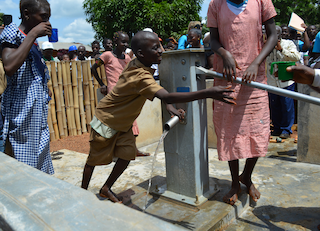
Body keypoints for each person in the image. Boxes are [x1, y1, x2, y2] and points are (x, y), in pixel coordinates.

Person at [81, 31, 236, 202]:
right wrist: (207, 92)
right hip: (107, 119)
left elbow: (157, 91)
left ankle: (106, 188)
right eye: (156, 48)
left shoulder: (138, 64)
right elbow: (164, 94)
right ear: (141, 53)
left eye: (161, 46)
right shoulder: (140, 75)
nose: (162, 50)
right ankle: (81, 193)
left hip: (123, 123)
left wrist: (169, 106)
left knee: (126, 156)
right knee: (93, 160)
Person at [207, 0, 277, 205]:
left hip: (255, 78)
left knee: (258, 130)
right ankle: (234, 183)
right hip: (227, 77)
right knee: (230, 132)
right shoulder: (216, 5)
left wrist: (256, 62)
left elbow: (273, 36)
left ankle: (247, 175)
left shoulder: (262, 2)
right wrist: (225, 54)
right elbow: (213, 40)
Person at [0, 0, 54, 174]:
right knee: (23, 169)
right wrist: (33, 34)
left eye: (48, 18)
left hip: (36, 114)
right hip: (20, 114)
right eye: (43, 17)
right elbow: (9, 67)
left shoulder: (33, 43)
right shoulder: (12, 32)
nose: (47, 23)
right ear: (26, 13)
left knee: (40, 163)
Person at [91, 31, 149, 157]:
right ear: (115, 41)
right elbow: (93, 69)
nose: (125, 44)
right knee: (115, 122)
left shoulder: (127, 58)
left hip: (126, 91)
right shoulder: (106, 56)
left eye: (126, 42)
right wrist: (102, 84)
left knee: (130, 119)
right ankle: (112, 151)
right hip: (114, 93)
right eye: (123, 41)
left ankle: (132, 149)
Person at [266, 25, 300, 139]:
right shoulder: (265, 44)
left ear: (280, 35)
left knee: (287, 106)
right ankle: (277, 128)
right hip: (271, 82)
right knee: (274, 105)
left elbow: (296, 57)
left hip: (286, 81)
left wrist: (281, 49)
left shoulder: (288, 43)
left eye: (276, 33)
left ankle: (286, 129)